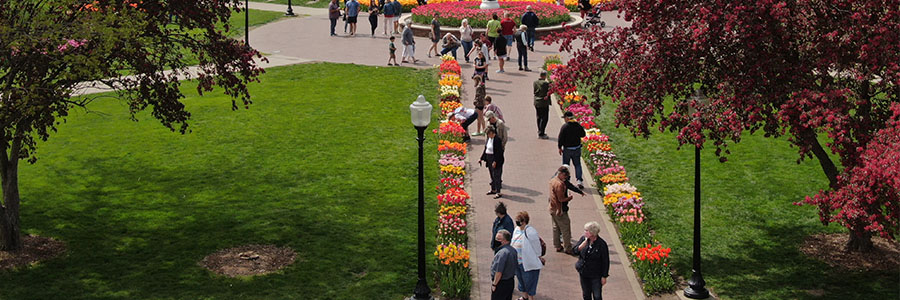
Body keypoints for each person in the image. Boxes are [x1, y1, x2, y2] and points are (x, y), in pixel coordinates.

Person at [511, 211, 544, 300]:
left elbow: (537, 247)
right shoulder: (516, 229)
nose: (517, 222)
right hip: (518, 261)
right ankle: (524, 297)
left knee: (529, 281)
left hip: (528, 262)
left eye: (519, 220)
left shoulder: (530, 231)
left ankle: (530, 298)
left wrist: (538, 256)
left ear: (524, 221)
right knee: (521, 280)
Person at [575, 221, 610, 300]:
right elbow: (575, 251)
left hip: (596, 275)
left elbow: (605, 261)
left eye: (586, 230)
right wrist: (581, 246)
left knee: (597, 296)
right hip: (584, 272)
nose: (585, 232)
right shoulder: (583, 239)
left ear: (592, 232)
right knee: (586, 294)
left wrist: (604, 276)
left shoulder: (601, 244)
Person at [549, 166, 574, 254]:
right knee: (565, 229)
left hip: (552, 208)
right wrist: (569, 198)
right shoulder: (559, 184)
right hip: (560, 210)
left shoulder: (552, 180)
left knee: (556, 227)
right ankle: (568, 248)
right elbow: (561, 199)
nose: (566, 178)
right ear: (561, 174)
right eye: (565, 176)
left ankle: (557, 245)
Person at [558, 111, 587, 189]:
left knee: (566, 165)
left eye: (565, 118)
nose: (564, 120)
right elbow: (583, 134)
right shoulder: (577, 126)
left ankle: (565, 180)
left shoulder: (565, 127)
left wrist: (559, 147)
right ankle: (579, 181)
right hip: (577, 148)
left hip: (567, 149)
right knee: (577, 164)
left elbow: (560, 138)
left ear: (567, 118)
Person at [491, 229, 517, 300]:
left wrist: (494, 284)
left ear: (505, 241)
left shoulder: (502, 253)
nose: (496, 240)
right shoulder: (513, 250)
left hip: (501, 284)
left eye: (499, 239)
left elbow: (499, 271)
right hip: (510, 282)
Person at [479, 126, 505, 198]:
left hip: (496, 159)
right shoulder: (489, 139)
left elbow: (499, 152)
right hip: (489, 158)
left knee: (497, 175)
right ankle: (493, 189)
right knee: (492, 175)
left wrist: (495, 161)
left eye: (488, 134)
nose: (488, 136)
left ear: (491, 133)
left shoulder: (497, 140)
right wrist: (481, 158)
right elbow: (486, 149)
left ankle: (498, 191)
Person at [533, 71, 551, 139]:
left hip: (536, 101)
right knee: (544, 118)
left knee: (538, 116)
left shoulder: (535, 82)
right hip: (543, 102)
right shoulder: (545, 83)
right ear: (544, 76)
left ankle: (539, 130)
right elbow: (549, 90)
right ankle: (541, 133)